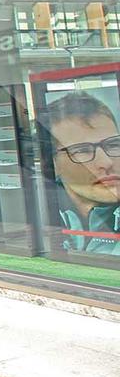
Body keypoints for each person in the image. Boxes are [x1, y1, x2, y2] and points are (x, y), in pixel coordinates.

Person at [48, 91, 120, 255]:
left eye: (113, 145)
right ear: (53, 164)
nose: (106, 163)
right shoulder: (42, 211)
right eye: (82, 150)